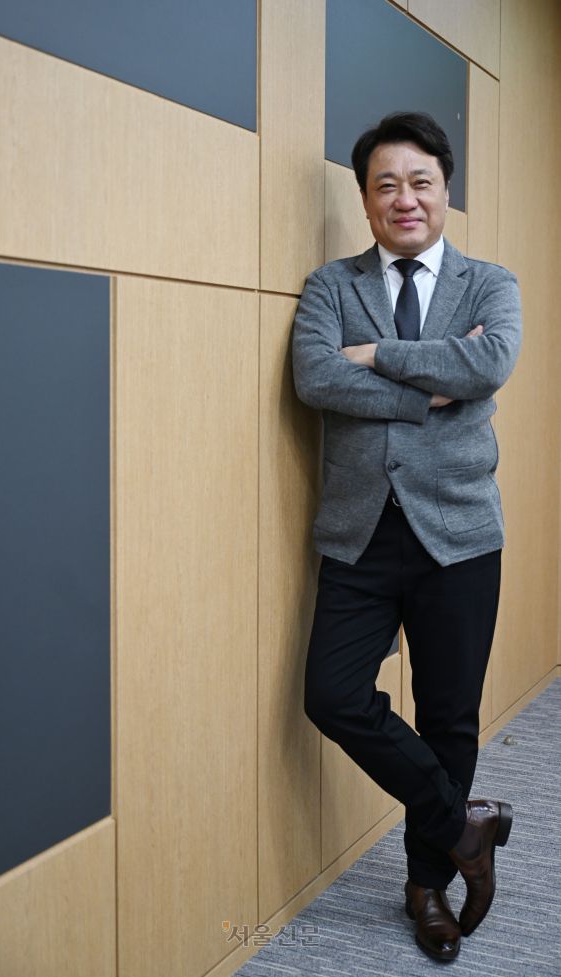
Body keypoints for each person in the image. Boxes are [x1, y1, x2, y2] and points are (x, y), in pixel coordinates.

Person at [291, 111, 522, 963]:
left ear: (444, 190)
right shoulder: (330, 285)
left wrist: (374, 355)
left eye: (420, 181)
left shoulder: (489, 283)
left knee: (449, 714)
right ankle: (463, 825)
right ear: (365, 199)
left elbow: (488, 365)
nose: (404, 198)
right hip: (357, 533)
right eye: (385, 184)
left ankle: (425, 886)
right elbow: (315, 377)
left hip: (460, 535)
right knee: (332, 695)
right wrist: (431, 380)